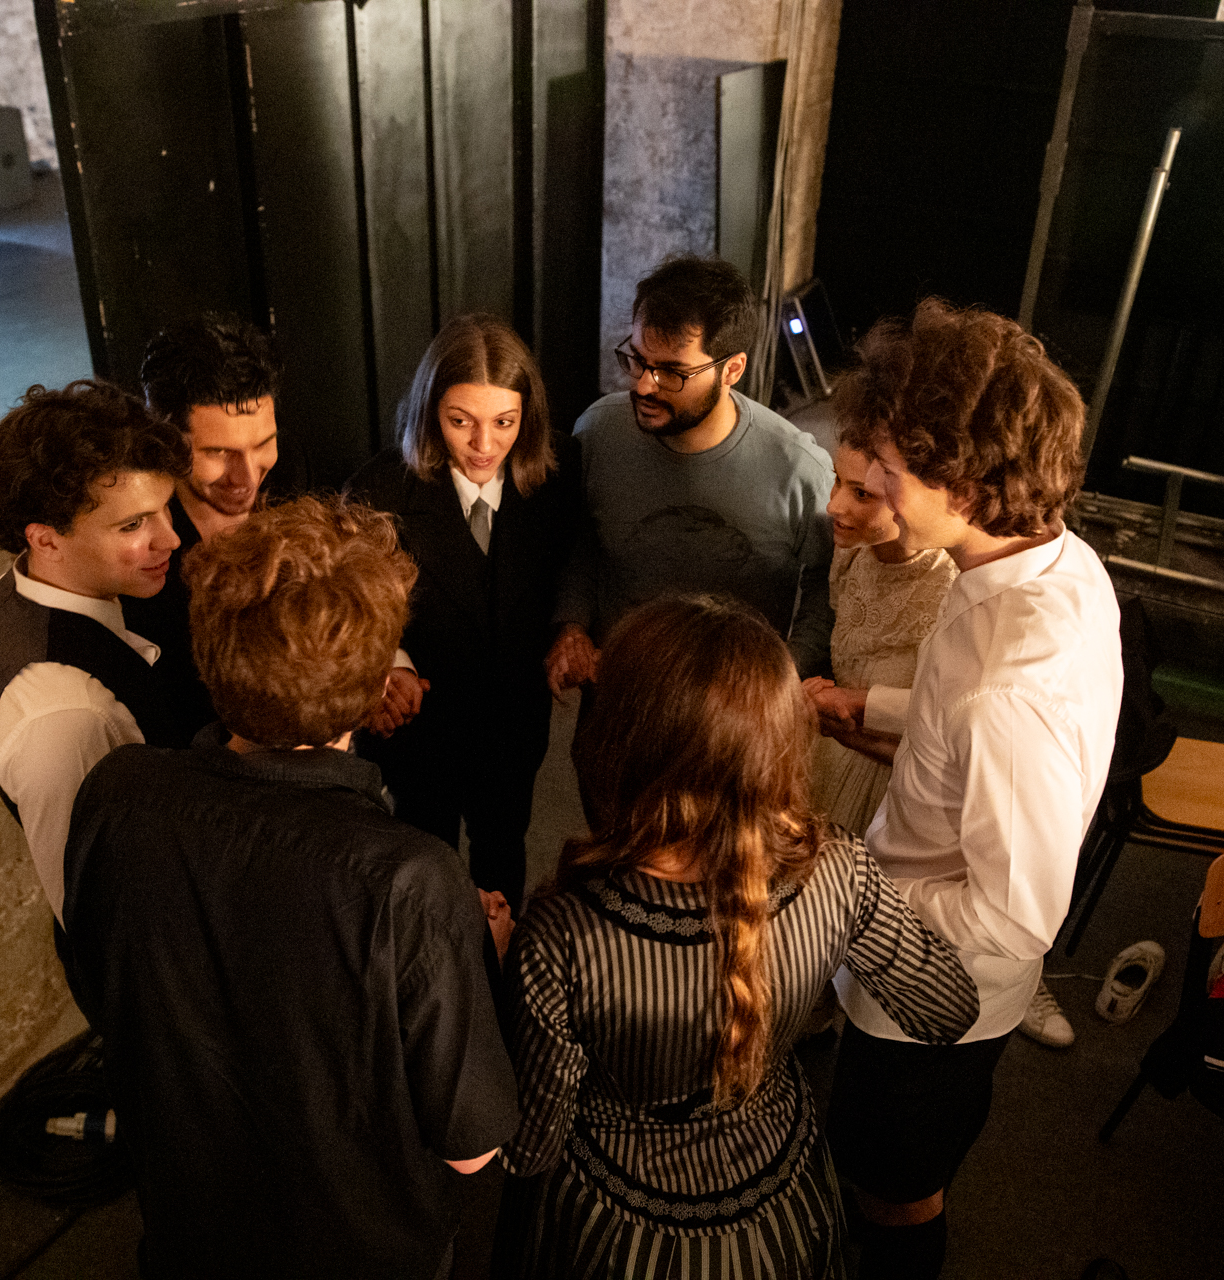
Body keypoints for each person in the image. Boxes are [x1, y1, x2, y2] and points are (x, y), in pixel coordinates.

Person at [62, 497, 520, 1279]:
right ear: (380, 679)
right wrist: (484, 953)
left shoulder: (117, 793)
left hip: (188, 1233)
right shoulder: (411, 880)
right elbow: (473, 1149)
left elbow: (106, 991)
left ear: (209, 651)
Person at [493, 596, 979, 1280]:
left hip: (612, 1233)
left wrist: (503, 962)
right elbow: (947, 1008)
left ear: (620, 742)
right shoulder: (838, 869)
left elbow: (531, 1148)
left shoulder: (564, 933)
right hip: (781, 1218)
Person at [822, 300, 1122, 1280]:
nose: (874, 486)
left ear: (965, 478)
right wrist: (873, 702)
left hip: (929, 994)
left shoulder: (1010, 684)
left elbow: (1014, 915)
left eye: (893, 472)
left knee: (893, 1188)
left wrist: (841, 886)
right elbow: (966, 722)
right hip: (907, 928)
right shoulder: (1047, 560)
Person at [804, 443, 1076, 1051]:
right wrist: (856, 703)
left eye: (874, 486)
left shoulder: (991, 659)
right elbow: (939, 713)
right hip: (852, 751)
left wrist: (858, 892)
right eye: (842, 481)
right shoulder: (860, 556)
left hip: (897, 792)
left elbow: (1013, 909)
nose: (834, 505)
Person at [346, 314, 584, 911]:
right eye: (460, 422)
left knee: (504, 849)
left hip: (513, 720)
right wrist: (388, 664)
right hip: (420, 729)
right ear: (431, 413)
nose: (484, 446)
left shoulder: (556, 479)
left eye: (504, 422)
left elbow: (580, 554)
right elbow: (355, 603)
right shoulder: (378, 492)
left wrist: (571, 625)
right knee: (424, 861)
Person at [546, 255, 834, 690]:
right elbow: (585, 542)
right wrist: (572, 626)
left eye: (673, 373)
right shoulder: (598, 433)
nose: (644, 384)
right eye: (638, 360)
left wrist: (784, 675)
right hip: (616, 697)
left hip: (733, 717)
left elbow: (827, 587)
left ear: (732, 369)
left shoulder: (798, 469)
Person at [0, 379, 193, 941]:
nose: (169, 539)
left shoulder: (20, 588)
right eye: (133, 524)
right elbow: (101, 914)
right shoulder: (68, 720)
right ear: (46, 539)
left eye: (164, 509)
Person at [124, 313, 310, 734]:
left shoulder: (291, 472)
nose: (247, 478)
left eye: (263, 444)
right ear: (165, 432)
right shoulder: (140, 545)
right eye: (217, 453)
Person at [802, 440, 958, 835]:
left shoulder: (951, 590)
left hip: (893, 782)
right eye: (836, 482)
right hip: (830, 751)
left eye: (862, 494)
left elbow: (951, 724)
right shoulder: (853, 551)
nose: (833, 506)